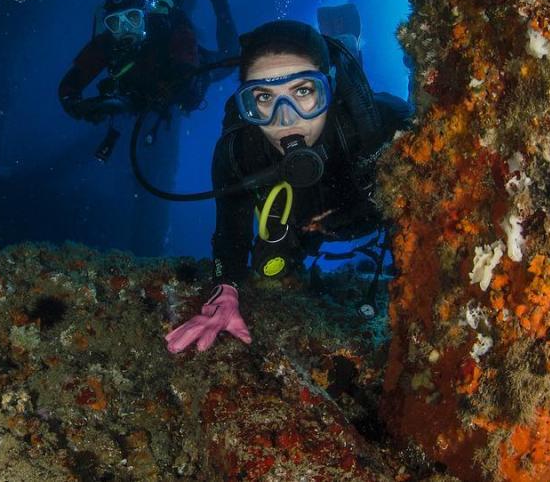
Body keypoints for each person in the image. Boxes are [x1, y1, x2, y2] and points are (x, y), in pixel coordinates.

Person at [165, 19, 412, 354]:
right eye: (264, 97)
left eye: (304, 91)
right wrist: (226, 292)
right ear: (247, 105)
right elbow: (231, 234)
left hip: (372, 211)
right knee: (272, 274)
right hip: (306, 227)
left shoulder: (384, 123)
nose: (285, 119)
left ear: (329, 88)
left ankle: (348, 44)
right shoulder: (238, 155)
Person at [58, 0, 240, 155]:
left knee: (232, 57)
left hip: (191, 67)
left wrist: (170, 83)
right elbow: (69, 84)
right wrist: (76, 105)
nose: (125, 30)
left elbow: (185, 67)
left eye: (132, 19)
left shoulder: (167, 29)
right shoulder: (107, 43)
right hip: (157, 87)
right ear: (108, 26)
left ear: (143, 17)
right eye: (115, 23)